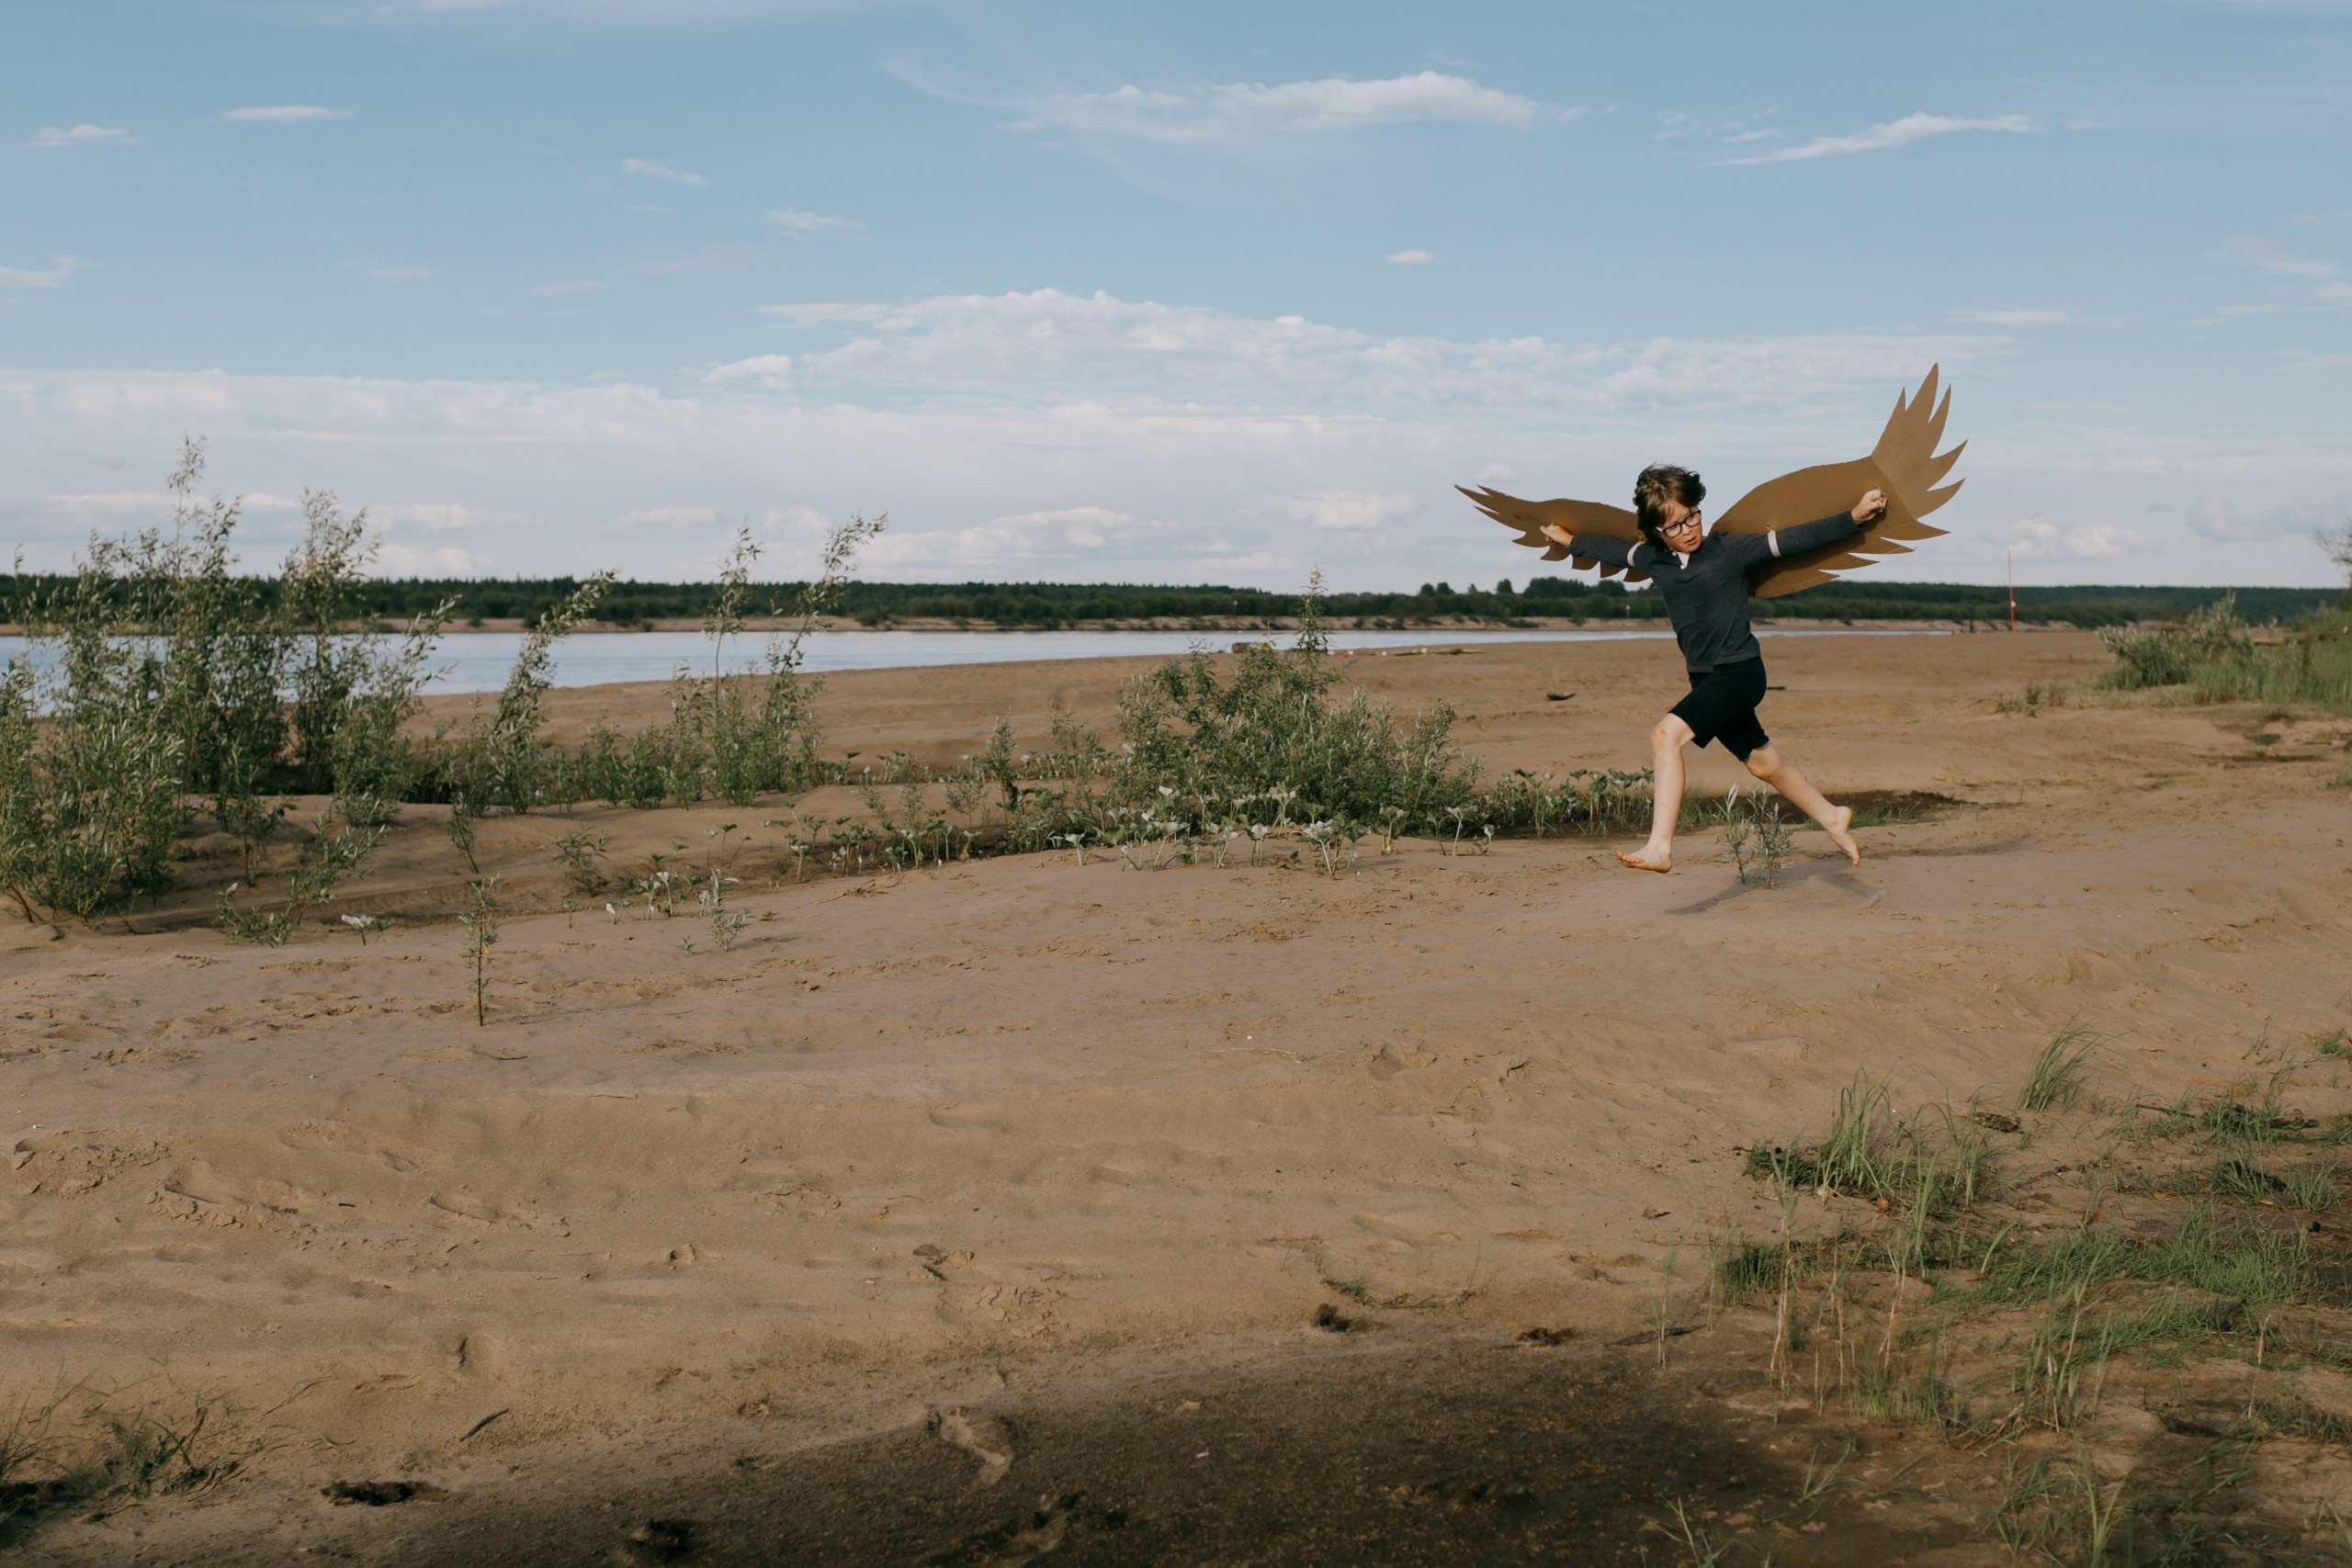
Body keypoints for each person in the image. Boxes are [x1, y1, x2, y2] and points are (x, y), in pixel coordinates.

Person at [1542, 463, 1885, 874]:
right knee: (1763, 763)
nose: (1688, 529)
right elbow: (1613, 551)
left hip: (1739, 673)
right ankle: (1832, 816)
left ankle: (1660, 848)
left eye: (1693, 516)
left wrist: (1853, 518)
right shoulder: (1654, 559)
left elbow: (1796, 540)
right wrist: (1570, 541)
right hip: (1706, 678)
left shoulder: (1730, 550)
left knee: (1665, 735)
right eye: (1674, 526)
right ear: (1656, 532)